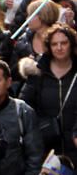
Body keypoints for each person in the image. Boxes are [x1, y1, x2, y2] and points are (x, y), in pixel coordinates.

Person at [19, 23, 77, 165]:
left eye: (64, 43)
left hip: (75, 147)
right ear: (48, 47)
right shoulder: (37, 72)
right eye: (54, 44)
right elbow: (24, 107)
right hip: (48, 150)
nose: (59, 48)